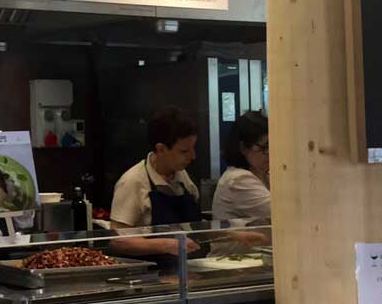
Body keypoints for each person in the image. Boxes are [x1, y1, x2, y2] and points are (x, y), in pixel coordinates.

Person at [108, 107, 203, 257]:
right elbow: (118, 241)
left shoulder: (181, 175)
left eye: (193, 148)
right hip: (152, 274)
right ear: (161, 149)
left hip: (189, 269)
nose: (193, 156)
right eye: (184, 151)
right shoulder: (132, 181)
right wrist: (165, 245)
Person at [212, 110, 271, 219]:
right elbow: (282, 212)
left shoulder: (263, 174)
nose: (270, 153)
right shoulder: (239, 179)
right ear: (243, 147)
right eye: (265, 147)